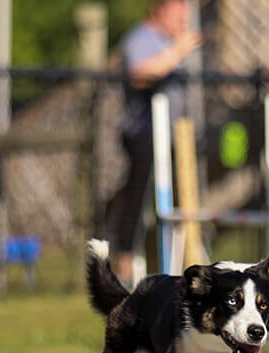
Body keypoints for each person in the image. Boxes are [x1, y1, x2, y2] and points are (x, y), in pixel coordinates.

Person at [108, 0, 201, 285]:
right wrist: (177, 52)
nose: (183, 20)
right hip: (145, 135)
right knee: (138, 196)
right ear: (158, 9)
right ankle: (122, 260)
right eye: (178, 13)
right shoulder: (142, 38)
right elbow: (140, 75)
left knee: (178, 199)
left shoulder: (169, 40)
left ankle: (182, 260)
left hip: (175, 137)